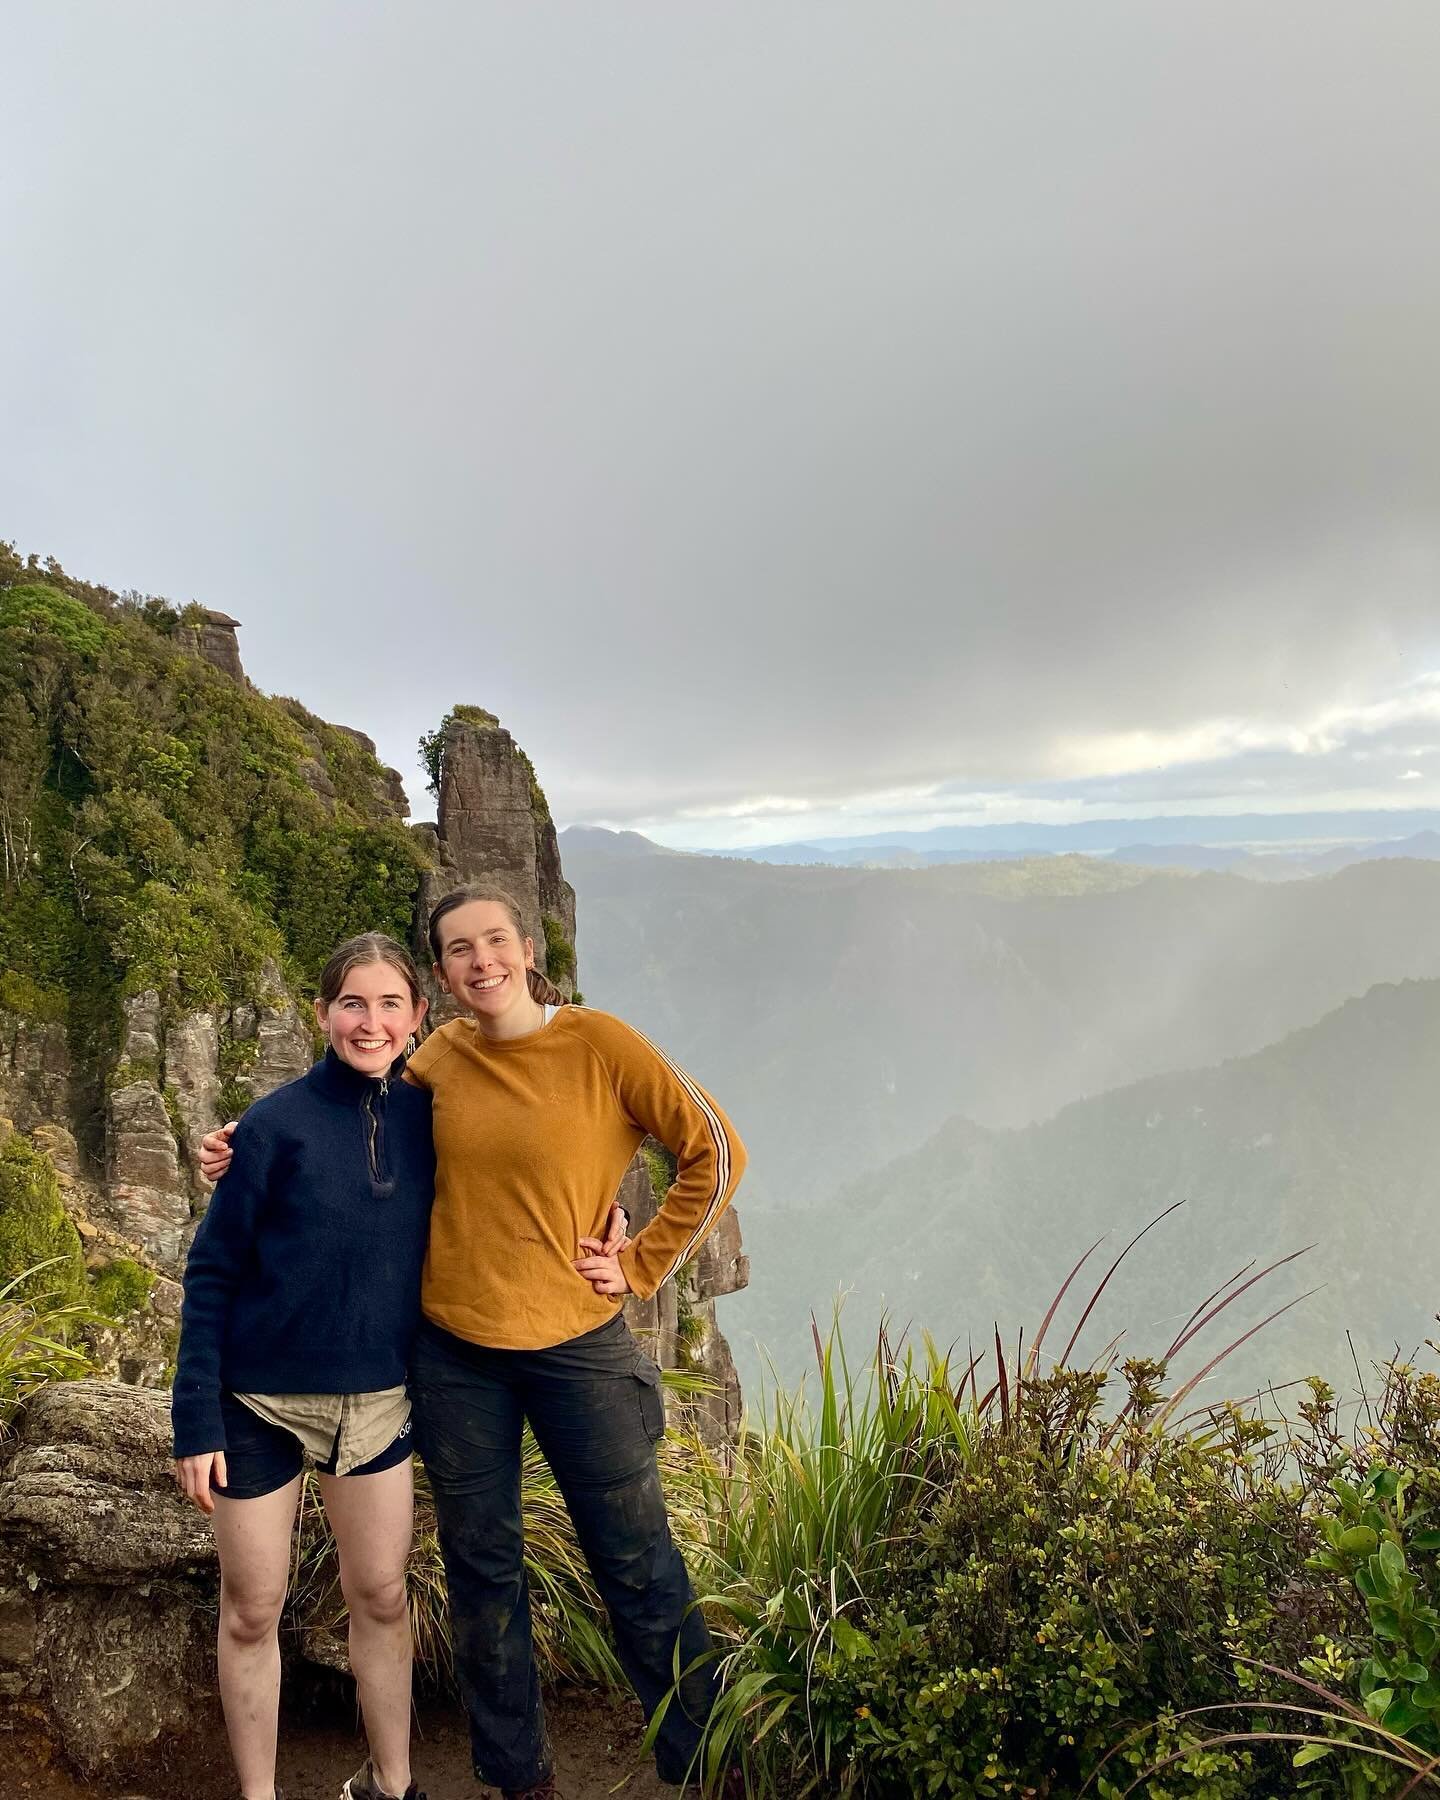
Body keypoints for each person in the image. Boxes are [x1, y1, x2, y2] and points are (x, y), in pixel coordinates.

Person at [202, 885, 747, 1799]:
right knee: (482, 1570)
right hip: (456, 1356)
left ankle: (705, 1769)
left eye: (496, 941)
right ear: (443, 980)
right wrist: (241, 1142)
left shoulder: (600, 1043)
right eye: (459, 949)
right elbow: (350, 1105)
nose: (482, 960)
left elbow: (716, 1149)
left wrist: (643, 1260)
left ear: (529, 948)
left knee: (637, 1561)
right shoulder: (439, 1059)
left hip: (579, 1348)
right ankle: (515, 1777)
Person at [173, 933, 436, 1800]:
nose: (371, 1021)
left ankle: (392, 1786)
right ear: (322, 1013)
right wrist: (196, 1421)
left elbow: (525, 1168)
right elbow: (211, 1272)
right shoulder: (273, 1124)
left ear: (417, 1016)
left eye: (390, 1003)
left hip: (377, 1406)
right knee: (252, 1611)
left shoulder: (435, 1116)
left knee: (383, 1599)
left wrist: (613, 1224)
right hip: (258, 1402)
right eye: (352, 1003)